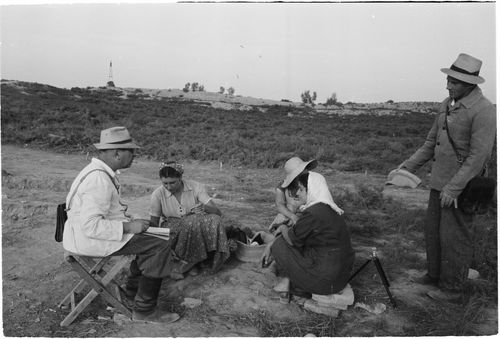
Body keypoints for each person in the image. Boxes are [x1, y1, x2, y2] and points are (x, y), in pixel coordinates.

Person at [396, 53, 496, 301]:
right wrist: (408, 167)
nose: (448, 85)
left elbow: (478, 157)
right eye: (449, 79)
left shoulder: (483, 110)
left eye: (454, 82)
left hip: (461, 187)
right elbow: (431, 142)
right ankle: (435, 275)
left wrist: (453, 189)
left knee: (455, 237)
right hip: (438, 182)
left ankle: (452, 288)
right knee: (434, 232)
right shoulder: (446, 103)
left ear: (470, 84)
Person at [62, 126, 179, 323]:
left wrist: (130, 221)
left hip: (84, 234)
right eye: (131, 152)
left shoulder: (100, 172)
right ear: (117, 153)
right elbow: (91, 226)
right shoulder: (98, 179)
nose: (134, 156)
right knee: (160, 245)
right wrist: (128, 227)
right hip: (88, 239)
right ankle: (145, 309)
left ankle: (132, 292)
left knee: (157, 235)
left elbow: (105, 213)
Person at [262, 171, 355, 299]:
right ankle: (294, 281)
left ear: (311, 189)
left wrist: (282, 228)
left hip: (326, 281)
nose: (298, 193)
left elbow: (292, 240)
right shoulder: (327, 208)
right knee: (295, 243)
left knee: (280, 245)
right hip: (340, 278)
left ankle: (297, 283)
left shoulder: (314, 212)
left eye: (301, 189)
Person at [149, 161, 230, 279]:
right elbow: (154, 223)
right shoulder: (157, 194)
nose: (169, 187)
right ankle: (188, 262)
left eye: (172, 183)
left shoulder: (195, 187)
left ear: (180, 178)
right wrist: (156, 245)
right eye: (165, 183)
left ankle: (198, 261)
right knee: (191, 222)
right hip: (172, 229)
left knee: (214, 220)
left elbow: (217, 212)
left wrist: (203, 208)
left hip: (194, 224)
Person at [269, 157, 343, 233]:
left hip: (308, 217)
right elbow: (280, 204)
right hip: (289, 216)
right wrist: (292, 216)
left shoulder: (311, 183)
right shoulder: (282, 187)